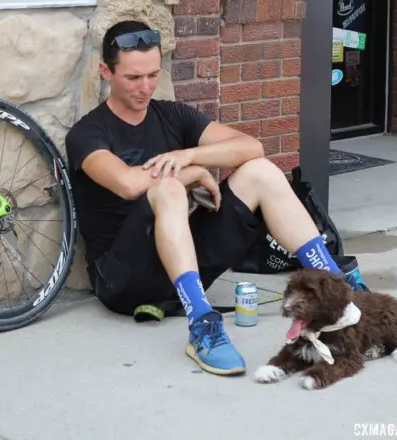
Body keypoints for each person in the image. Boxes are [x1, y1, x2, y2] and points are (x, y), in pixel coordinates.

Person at [64, 20, 368, 376]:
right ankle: (201, 324)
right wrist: (189, 174)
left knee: (260, 171)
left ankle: (340, 293)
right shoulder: (87, 133)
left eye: (152, 75)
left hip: (182, 263)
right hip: (125, 281)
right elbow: (129, 184)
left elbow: (251, 147)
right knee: (168, 187)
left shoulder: (172, 115)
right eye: (133, 78)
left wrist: (190, 156)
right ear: (106, 71)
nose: (145, 87)